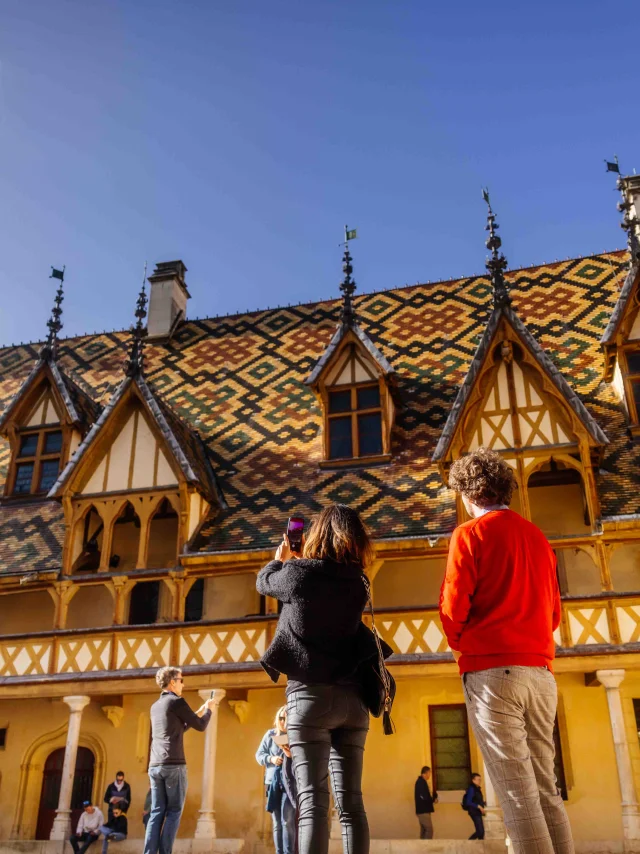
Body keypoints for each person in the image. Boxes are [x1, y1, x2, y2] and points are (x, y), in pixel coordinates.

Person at [439, 447, 574, 854]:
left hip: (493, 673)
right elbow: (554, 613)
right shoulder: (538, 537)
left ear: (467, 494)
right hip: (540, 673)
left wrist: (462, 646)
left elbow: (453, 605)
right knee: (546, 790)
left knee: (517, 796)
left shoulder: (469, 534)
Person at [257, 503, 391, 854]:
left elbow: (264, 581)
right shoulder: (358, 583)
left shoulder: (298, 575)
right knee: (351, 806)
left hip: (309, 699)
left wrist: (282, 557)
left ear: (316, 536)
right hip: (353, 703)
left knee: (313, 804)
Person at [144, 666, 217, 854]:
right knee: (174, 811)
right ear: (172, 682)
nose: (183, 684)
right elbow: (200, 726)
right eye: (181, 680)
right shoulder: (177, 702)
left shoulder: (155, 706)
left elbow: (177, 729)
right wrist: (209, 711)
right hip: (173, 765)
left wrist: (198, 711)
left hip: (155, 765)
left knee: (156, 813)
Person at [256, 706, 296, 854]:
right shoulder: (270, 734)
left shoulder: (296, 736)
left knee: (287, 820)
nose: (283, 721)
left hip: (290, 783)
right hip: (272, 782)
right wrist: (271, 758)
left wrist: (290, 754)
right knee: (276, 823)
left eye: (286, 718)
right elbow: (259, 755)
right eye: (280, 718)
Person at [414, 765, 437, 839]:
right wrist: (433, 800)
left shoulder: (422, 782)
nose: (429, 775)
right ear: (424, 774)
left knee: (424, 830)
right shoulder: (421, 783)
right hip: (423, 810)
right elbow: (424, 796)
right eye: (429, 773)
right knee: (429, 830)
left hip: (423, 810)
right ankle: (426, 847)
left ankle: (422, 847)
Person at [463, 773, 486, 840]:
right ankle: (468, 843)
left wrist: (483, 803)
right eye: (478, 780)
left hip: (477, 812)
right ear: (473, 780)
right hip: (474, 812)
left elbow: (476, 799)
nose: (479, 781)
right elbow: (468, 802)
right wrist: (478, 806)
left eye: (480, 780)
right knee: (480, 831)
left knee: (480, 832)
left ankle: (480, 845)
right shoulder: (471, 788)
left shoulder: (477, 789)